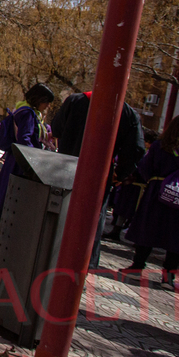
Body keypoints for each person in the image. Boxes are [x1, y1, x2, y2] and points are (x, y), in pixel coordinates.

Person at [50, 89, 145, 267]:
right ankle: (82, 268)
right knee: (91, 225)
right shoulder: (127, 113)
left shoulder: (75, 101)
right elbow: (136, 149)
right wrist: (120, 174)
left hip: (66, 169)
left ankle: (51, 261)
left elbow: (56, 128)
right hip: (99, 177)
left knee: (61, 216)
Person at [120, 115, 179, 288]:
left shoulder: (160, 146)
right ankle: (169, 277)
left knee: (148, 230)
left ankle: (137, 267)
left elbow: (144, 167)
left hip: (157, 193)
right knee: (177, 236)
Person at [0, 83, 56, 213]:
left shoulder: (23, 110)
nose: (48, 106)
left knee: (7, 198)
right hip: (20, 163)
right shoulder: (28, 114)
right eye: (47, 102)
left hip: (15, 159)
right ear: (39, 99)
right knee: (12, 200)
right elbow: (25, 138)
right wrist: (32, 160)